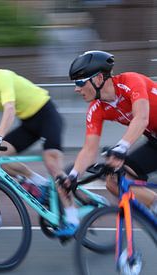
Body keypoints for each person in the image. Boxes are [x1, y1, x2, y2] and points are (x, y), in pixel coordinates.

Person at [0, 46, 79, 235]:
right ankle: (40, 184)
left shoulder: (0, 77)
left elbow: (9, 109)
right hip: (28, 122)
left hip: (47, 114)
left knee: (51, 161)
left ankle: (73, 217)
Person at [62, 50, 157, 214]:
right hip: (154, 141)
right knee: (113, 182)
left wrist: (121, 148)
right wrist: (73, 175)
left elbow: (141, 119)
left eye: (79, 82)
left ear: (98, 78)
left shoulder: (130, 81)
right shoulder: (96, 109)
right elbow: (89, 149)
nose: (76, 89)